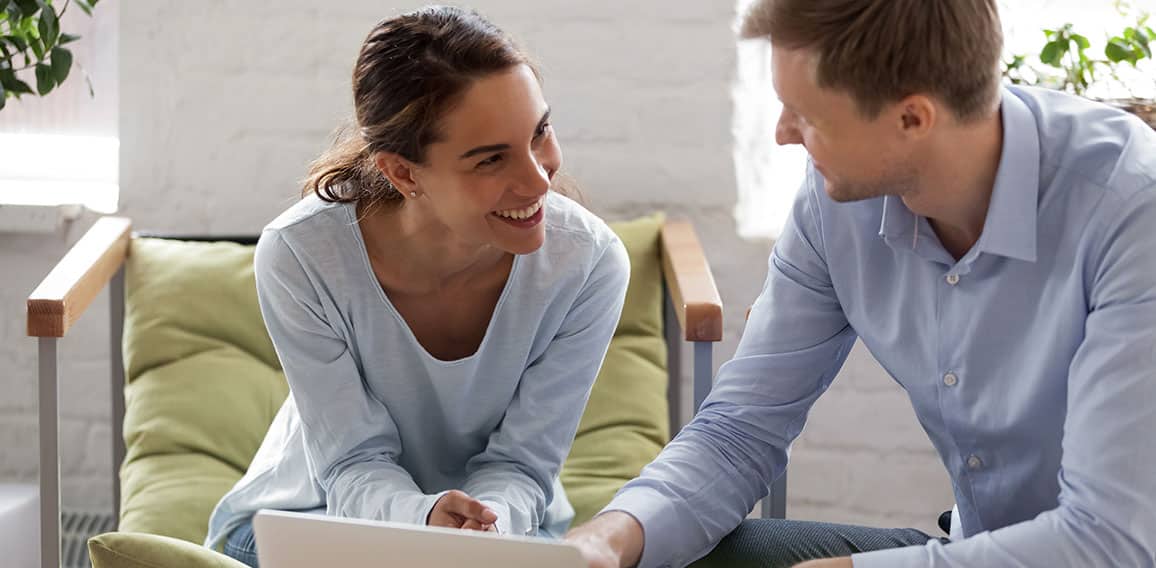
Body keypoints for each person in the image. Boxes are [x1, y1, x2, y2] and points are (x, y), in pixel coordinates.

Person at [565, 0, 1156, 566]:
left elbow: (1112, 542)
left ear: (912, 118)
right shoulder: (835, 207)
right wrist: (607, 541)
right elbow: (739, 430)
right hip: (972, 545)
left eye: (808, 116)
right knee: (678, 554)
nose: (781, 133)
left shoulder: (1130, 204)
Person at [203, 6, 630, 566]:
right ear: (404, 173)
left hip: (504, 528)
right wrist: (423, 521)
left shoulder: (589, 264)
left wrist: (485, 530)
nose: (537, 177)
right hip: (315, 521)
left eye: (540, 132)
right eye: (490, 159)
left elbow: (525, 465)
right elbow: (351, 463)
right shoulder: (302, 255)